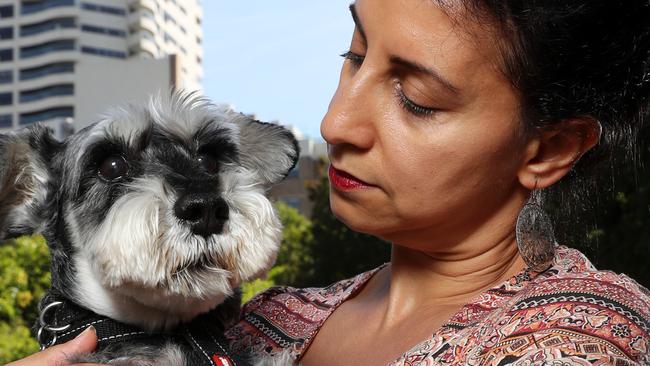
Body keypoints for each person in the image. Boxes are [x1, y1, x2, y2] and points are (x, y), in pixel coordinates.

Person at [10, 0, 650, 365]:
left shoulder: (570, 343)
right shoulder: (265, 320)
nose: (335, 121)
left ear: (549, 149)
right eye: (354, 55)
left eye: (417, 98)